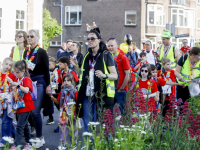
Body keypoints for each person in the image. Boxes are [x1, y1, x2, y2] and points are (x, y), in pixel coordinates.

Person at [73, 27, 117, 132]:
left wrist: (104, 75)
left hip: (101, 95)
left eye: (92, 38)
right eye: (88, 39)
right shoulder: (87, 56)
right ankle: (90, 146)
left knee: (101, 124)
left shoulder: (106, 55)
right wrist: (76, 66)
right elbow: (83, 76)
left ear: (99, 40)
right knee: (88, 123)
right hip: (87, 94)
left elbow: (115, 75)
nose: (90, 41)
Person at [23, 29, 51, 148]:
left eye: (32, 36)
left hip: (39, 82)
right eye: (28, 36)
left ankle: (40, 137)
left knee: (35, 111)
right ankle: (29, 136)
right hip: (29, 82)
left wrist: (48, 85)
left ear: (37, 38)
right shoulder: (26, 52)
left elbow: (46, 70)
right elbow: (26, 69)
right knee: (28, 111)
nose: (29, 38)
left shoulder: (42, 52)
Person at [48, 74, 78, 150]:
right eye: (64, 80)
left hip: (73, 113)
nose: (66, 82)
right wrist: (51, 97)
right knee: (63, 128)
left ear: (72, 81)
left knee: (73, 128)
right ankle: (62, 144)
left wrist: (78, 113)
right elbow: (59, 102)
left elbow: (77, 102)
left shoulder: (75, 91)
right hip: (64, 113)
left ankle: (73, 143)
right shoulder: (62, 91)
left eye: (68, 80)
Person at [10, 60, 35, 150]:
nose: (15, 74)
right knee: (24, 126)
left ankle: (16, 145)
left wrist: (17, 85)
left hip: (26, 106)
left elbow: (27, 90)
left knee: (20, 126)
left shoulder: (26, 79)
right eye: (15, 72)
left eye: (17, 72)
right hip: (20, 106)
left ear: (23, 71)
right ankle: (28, 142)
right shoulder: (17, 79)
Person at [107, 38, 130, 114]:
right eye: (109, 46)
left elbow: (127, 74)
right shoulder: (107, 58)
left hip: (120, 90)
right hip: (110, 90)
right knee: (109, 112)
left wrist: (121, 88)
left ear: (117, 46)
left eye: (112, 45)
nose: (110, 48)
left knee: (124, 112)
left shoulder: (123, 58)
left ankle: (125, 125)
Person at [0, 57, 15, 148]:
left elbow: (13, 87)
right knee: (5, 119)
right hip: (0, 100)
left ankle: (5, 140)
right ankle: (14, 135)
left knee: (5, 120)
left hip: (7, 100)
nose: (8, 66)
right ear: (2, 64)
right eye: (6, 64)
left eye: (10, 65)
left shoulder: (11, 76)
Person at [46, 57, 61, 125]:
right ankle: (50, 118)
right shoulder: (47, 71)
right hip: (50, 90)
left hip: (56, 91)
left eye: (49, 64)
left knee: (58, 105)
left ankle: (63, 118)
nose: (48, 65)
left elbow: (59, 80)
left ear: (54, 64)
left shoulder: (58, 71)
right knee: (49, 104)